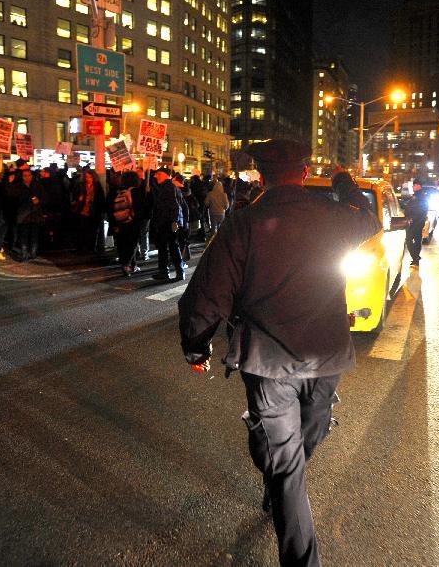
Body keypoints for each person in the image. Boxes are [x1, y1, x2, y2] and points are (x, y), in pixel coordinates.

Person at [178, 140, 380, 567]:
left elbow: (207, 294)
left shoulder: (244, 224)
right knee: (291, 465)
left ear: (262, 177)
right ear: (305, 173)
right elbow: (370, 217)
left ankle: (275, 465)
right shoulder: (332, 216)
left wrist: (196, 344)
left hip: (277, 360)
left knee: (303, 442)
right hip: (309, 355)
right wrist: (344, 181)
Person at [150, 167, 185, 282]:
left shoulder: (168, 187)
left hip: (168, 222)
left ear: (165, 175)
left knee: (170, 247)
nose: (156, 176)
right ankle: (167, 271)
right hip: (167, 222)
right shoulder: (168, 186)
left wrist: (174, 221)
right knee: (167, 247)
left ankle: (175, 272)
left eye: (158, 174)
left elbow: (174, 205)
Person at [108, 170, 141, 275]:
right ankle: (127, 264)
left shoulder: (117, 192)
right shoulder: (136, 192)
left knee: (122, 244)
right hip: (132, 222)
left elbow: (110, 209)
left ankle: (129, 264)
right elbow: (139, 209)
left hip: (119, 222)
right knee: (132, 244)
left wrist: (114, 224)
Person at [11, 168, 46, 261]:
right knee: (24, 234)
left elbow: (44, 198)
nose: (27, 178)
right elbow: (13, 198)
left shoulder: (38, 186)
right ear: (22, 177)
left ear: (32, 176)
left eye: (29, 175)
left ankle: (33, 252)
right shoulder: (18, 187)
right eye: (25, 176)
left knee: (34, 234)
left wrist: (39, 201)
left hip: (35, 214)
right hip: (23, 215)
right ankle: (24, 253)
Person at [71, 169, 105, 254]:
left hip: (93, 211)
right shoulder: (82, 185)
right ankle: (81, 247)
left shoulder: (97, 186)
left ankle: (90, 248)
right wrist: (79, 199)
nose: (88, 179)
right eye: (86, 177)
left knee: (92, 231)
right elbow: (75, 195)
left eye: (89, 177)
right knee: (82, 230)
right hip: (82, 210)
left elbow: (101, 199)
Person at [403, 180, 429, 267]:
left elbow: (420, 210)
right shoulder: (417, 196)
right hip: (417, 221)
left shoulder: (420, 197)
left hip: (415, 222)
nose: (413, 187)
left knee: (410, 240)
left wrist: (412, 218)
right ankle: (416, 257)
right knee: (416, 240)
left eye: (414, 185)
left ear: (418, 186)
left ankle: (415, 257)